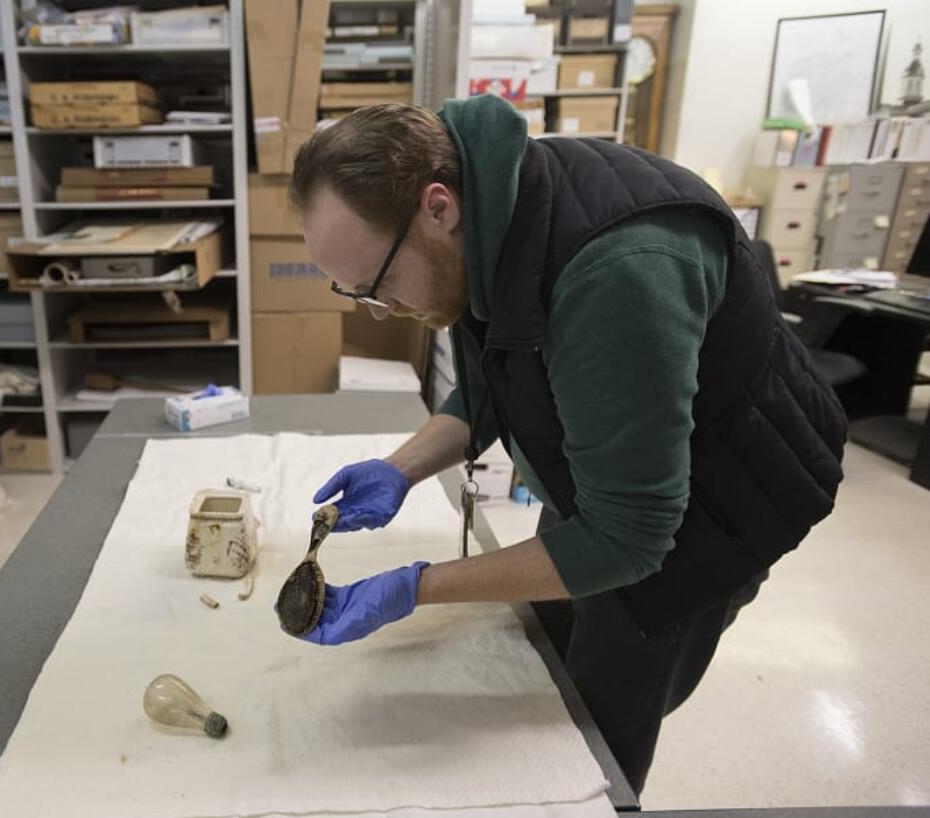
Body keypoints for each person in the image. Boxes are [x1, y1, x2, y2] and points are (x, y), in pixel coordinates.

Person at [283, 95, 848, 794]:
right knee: (539, 652)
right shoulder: (487, 213)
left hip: (713, 509)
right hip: (611, 480)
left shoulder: (615, 274)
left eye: (380, 284)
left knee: (589, 740)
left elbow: (629, 539)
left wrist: (418, 588)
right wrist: (403, 468)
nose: (383, 307)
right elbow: (503, 376)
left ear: (437, 207)